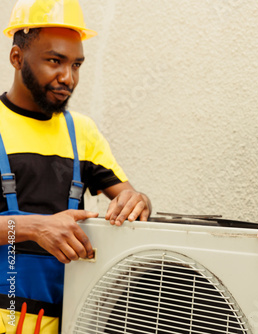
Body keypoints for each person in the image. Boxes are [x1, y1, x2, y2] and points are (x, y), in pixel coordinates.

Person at [0, 0, 152, 332]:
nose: (68, 77)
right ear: (17, 58)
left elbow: (132, 201)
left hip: (72, 318)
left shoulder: (81, 132)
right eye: (55, 61)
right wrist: (31, 229)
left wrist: (139, 201)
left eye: (77, 65)